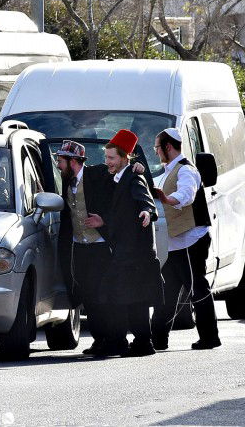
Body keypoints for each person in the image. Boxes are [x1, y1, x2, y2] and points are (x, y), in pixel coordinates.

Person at [89, 129, 163, 357]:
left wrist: (147, 213)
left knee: (134, 300)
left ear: (124, 157)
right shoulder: (118, 176)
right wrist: (104, 221)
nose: (107, 162)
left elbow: (145, 201)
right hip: (124, 252)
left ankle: (142, 343)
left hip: (135, 254)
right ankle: (125, 341)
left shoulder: (134, 177)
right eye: (106, 158)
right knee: (123, 298)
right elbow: (121, 214)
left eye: (111, 158)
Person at [150, 127, 220, 351]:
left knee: (197, 289)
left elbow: (187, 195)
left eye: (157, 147)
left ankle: (210, 337)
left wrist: (169, 199)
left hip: (190, 240)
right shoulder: (167, 171)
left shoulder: (186, 170)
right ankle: (158, 339)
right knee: (167, 292)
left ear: (167, 147)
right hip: (173, 242)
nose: (156, 152)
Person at [53, 140, 118, 356]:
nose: (58, 165)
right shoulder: (67, 181)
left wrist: (104, 221)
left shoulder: (98, 174)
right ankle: (100, 339)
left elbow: (122, 191)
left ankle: (113, 340)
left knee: (104, 295)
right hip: (79, 248)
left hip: (100, 247)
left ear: (73, 161)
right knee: (88, 296)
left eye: (60, 160)